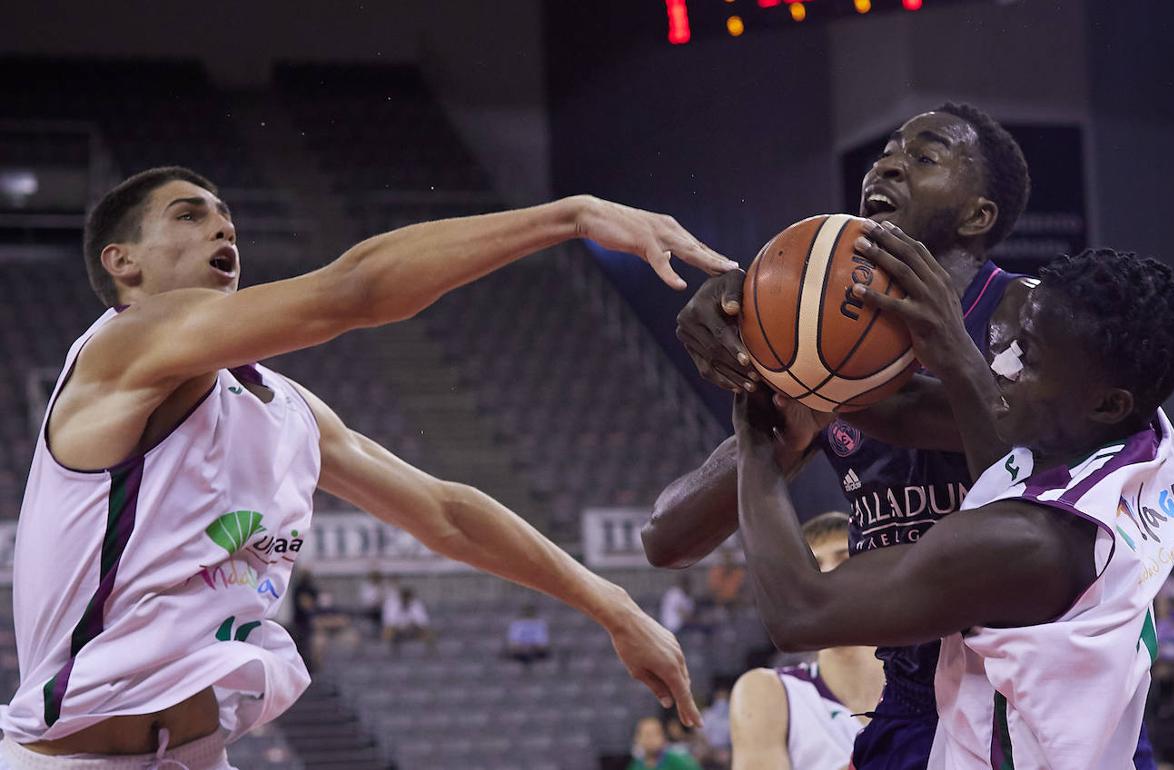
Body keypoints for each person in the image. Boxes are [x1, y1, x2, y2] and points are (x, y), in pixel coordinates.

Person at [0, 166, 730, 767]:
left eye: (227, 219)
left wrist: (613, 604)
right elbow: (355, 291)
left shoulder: (281, 406)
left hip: (196, 755)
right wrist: (571, 216)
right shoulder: (121, 348)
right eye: (189, 216)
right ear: (122, 262)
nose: (223, 229)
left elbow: (445, 513)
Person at [645, 102, 1044, 769]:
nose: (888, 166)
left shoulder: (1027, 318)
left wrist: (814, 382)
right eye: (885, 153)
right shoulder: (826, 338)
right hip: (912, 705)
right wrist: (764, 366)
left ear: (978, 216)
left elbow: (1027, 463)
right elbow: (666, 538)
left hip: (1033, 694)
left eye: (924, 156)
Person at [732, 232, 1174, 767]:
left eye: (1028, 358)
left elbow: (799, 613)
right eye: (1015, 341)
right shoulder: (1147, 441)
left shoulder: (1028, 544)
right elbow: (913, 414)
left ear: (1107, 404)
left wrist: (756, 445)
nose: (1001, 364)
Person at [729, 512, 884, 770]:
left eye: (844, 560)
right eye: (813, 567)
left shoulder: (935, 680)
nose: (828, 574)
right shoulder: (768, 693)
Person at [629, 717, 702, 770]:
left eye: (655, 734)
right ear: (637, 738)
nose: (651, 739)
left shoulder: (677, 760)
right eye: (647, 735)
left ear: (663, 737)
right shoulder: (635, 765)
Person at [380, 586, 434, 654]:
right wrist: (401, 626)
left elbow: (423, 621)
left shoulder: (416, 604)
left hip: (412, 629)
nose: (406, 600)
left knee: (428, 632)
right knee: (388, 631)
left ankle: (429, 653)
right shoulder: (391, 604)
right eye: (404, 598)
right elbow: (389, 621)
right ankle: (389, 652)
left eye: (408, 598)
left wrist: (412, 625)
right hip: (397, 629)